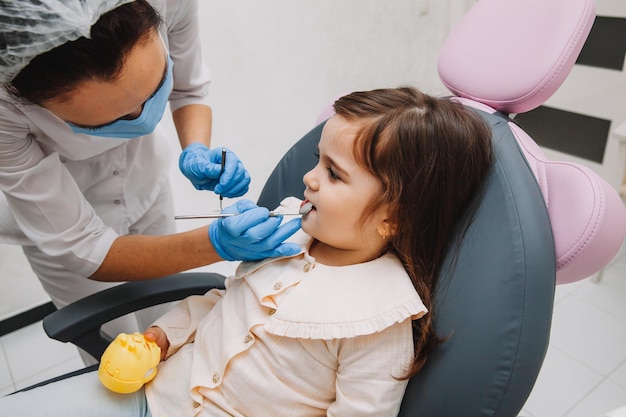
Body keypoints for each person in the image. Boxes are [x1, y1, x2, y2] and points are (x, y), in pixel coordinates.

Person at [0, 86, 494, 416]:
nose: (308, 177)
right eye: (317, 161)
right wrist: (157, 340)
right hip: (157, 396)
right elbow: (221, 303)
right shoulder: (286, 239)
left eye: (333, 173)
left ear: (395, 216)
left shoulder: (377, 320)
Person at [0, 0, 301, 347]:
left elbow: (189, 88)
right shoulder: (6, 111)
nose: (144, 118)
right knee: (115, 347)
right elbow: (84, 247)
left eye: (153, 88)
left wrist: (196, 147)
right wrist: (215, 244)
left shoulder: (169, 2)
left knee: (169, 320)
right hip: (59, 224)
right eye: (114, 118)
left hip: (144, 181)